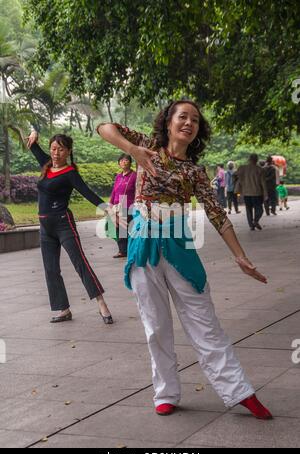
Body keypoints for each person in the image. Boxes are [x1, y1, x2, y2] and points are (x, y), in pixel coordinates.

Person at [96, 99, 272, 419]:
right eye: (182, 116)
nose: (188, 123)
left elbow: (218, 215)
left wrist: (241, 257)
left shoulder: (194, 171)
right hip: (143, 245)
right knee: (155, 324)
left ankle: (239, 391)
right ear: (168, 122)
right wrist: (132, 150)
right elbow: (103, 128)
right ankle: (165, 392)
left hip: (179, 245)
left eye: (194, 119)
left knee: (205, 322)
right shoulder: (147, 145)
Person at [26, 130, 113, 324]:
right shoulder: (46, 165)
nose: (56, 153)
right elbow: (32, 145)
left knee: (80, 263)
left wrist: (107, 208)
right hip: (45, 226)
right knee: (51, 269)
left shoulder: (70, 173)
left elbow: (87, 192)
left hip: (63, 224)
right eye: (53, 149)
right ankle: (63, 309)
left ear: (68, 152)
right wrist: (34, 132)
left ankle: (102, 304)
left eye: (60, 149)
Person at [108, 154, 136, 258]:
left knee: (126, 228)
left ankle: (129, 250)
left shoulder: (134, 176)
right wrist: (110, 204)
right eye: (121, 160)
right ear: (119, 163)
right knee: (118, 228)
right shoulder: (118, 176)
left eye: (126, 160)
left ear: (130, 162)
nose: (123, 162)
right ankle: (122, 250)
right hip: (117, 205)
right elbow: (114, 191)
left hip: (128, 205)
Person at [236, 154, 268, 231]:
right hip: (257, 193)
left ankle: (251, 225)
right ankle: (255, 221)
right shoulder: (260, 170)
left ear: (249, 159)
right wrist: (265, 194)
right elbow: (263, 183)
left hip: (246, 193)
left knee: (248, 209)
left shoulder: (242, 168)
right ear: (256, 160)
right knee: (260, 209)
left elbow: (235, 175)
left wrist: (241, 183)